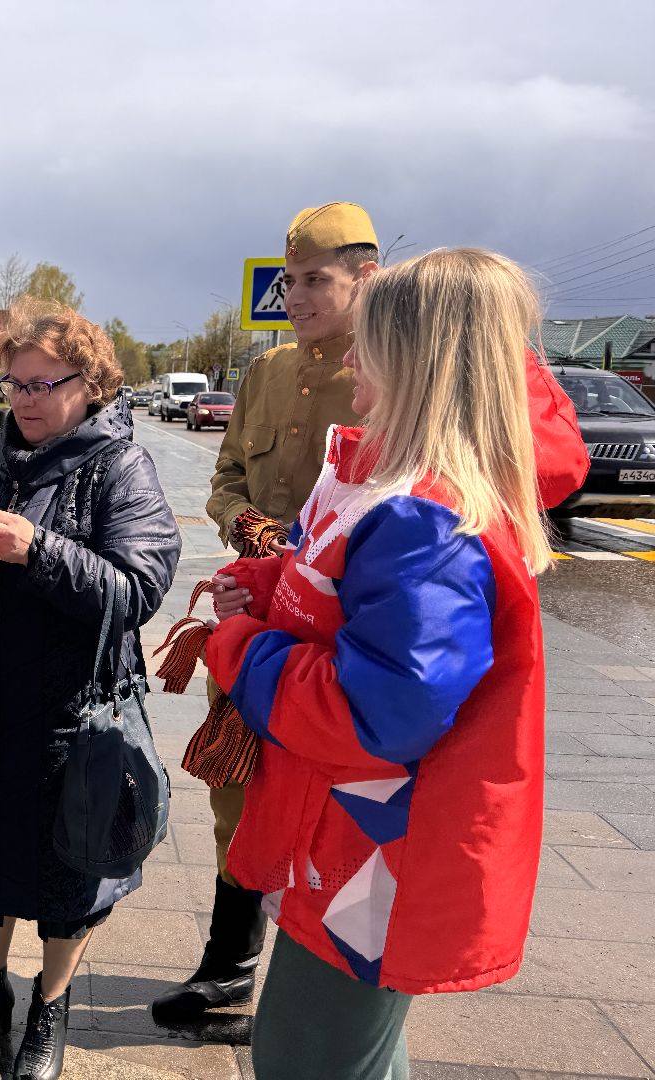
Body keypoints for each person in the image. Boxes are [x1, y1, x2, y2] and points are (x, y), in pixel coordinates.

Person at [202, 249, 572, 1078]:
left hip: (369, 851)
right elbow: (349, 599)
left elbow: (374, 715)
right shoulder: (405, 489)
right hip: (353, 835)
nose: (353, 357)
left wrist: (239, 647)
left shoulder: (422, 519)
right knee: (349, 1055)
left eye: (370, 341)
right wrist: (274, 581)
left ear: (416, 361)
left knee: (304, 1057)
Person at [0, 298, 181, 1080]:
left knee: (72, 870)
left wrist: (40, 550)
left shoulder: (119, 466)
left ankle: (49, 1003)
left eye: (41, 384)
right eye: (12, 384)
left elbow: (139, 588)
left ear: (89, 383)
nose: (23, 400)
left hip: (73, 712)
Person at [154, 202, 380, 1026]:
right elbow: (224, 480)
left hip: (337, 637)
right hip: (252, 619)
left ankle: (311, 983)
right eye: (291, 281)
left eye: (315, 280)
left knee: (324, 810)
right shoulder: (266, 373)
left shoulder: (387, 376)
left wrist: (306, 546)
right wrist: (250, 527)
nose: (297, 297)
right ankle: (229, 965)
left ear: (368, 278)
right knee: (236, 789)